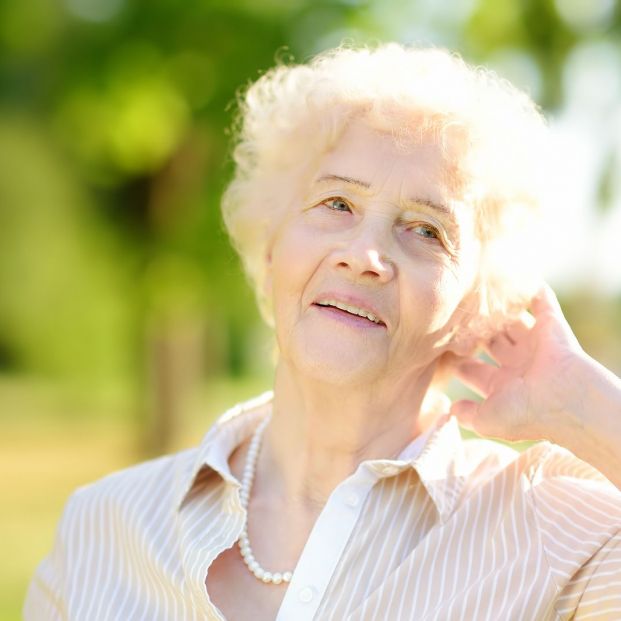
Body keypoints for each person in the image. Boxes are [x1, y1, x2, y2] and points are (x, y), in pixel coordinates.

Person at [25, 44, 621, 620]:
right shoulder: (104, 527)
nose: (364, 254)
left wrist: (584, 404)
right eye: (336, 203)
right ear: (272, 242)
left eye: (426, 230)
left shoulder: (550, 532)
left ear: (477, 307)